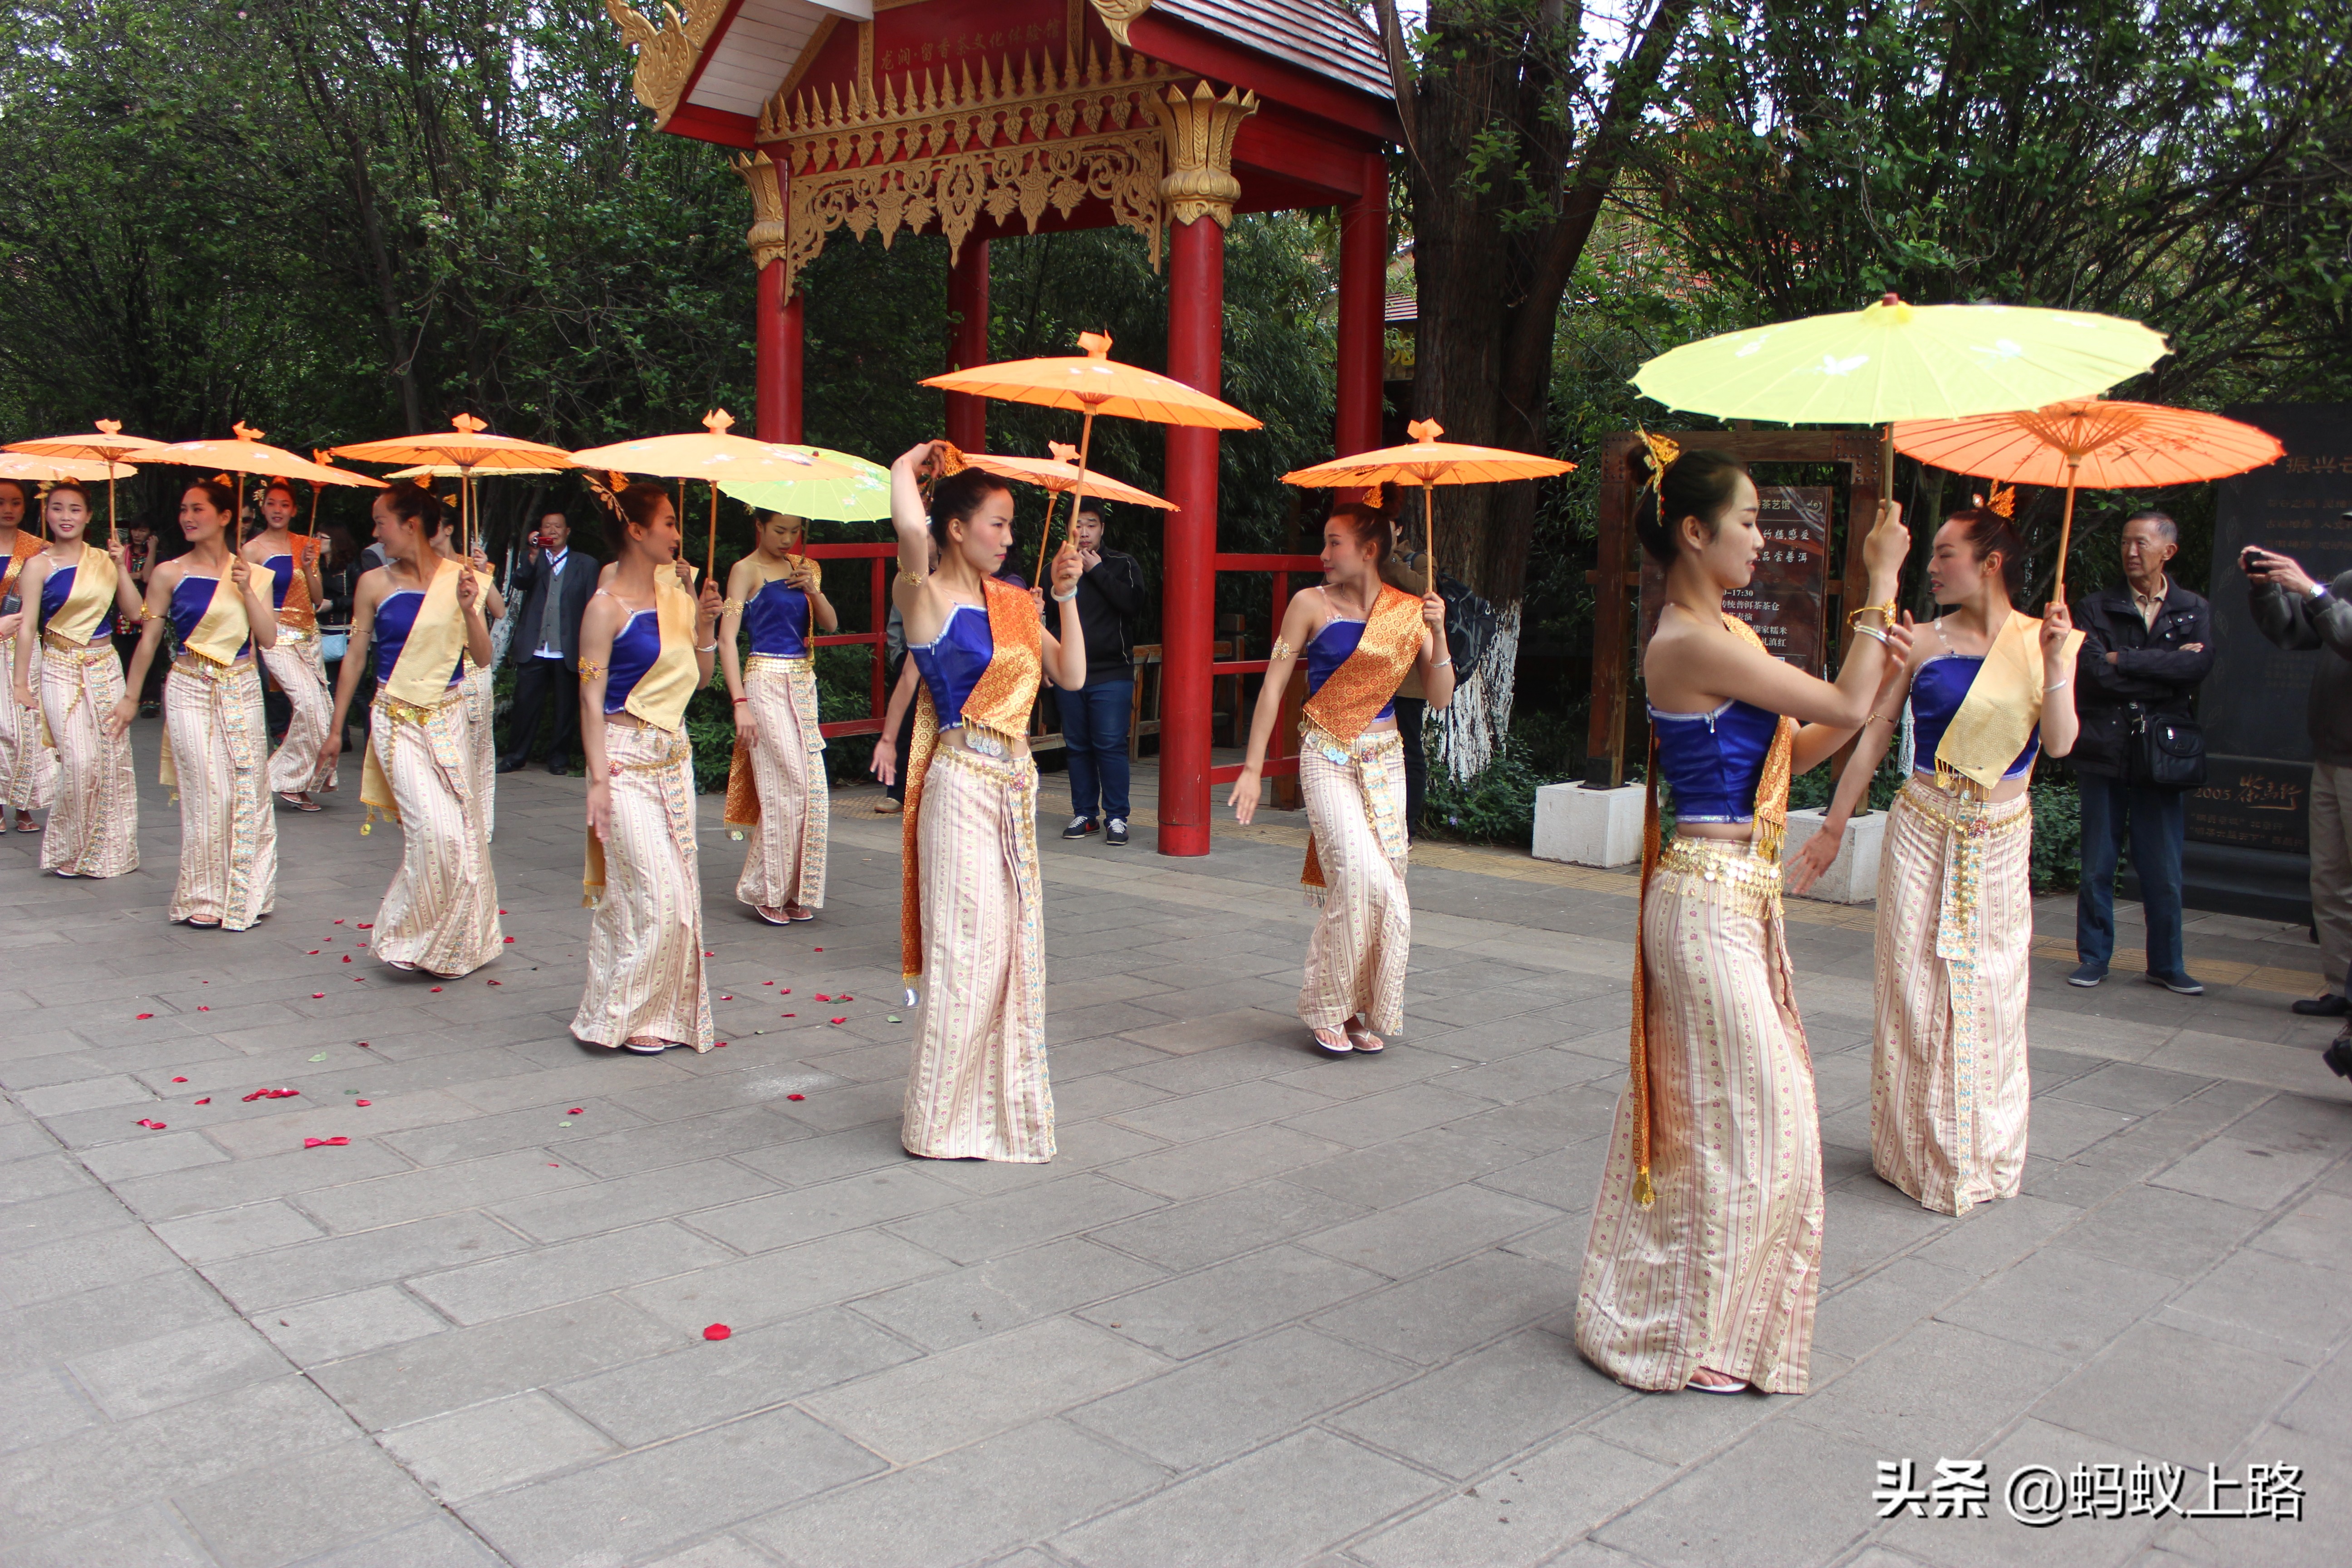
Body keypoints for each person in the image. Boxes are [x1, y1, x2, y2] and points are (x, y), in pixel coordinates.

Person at [1582, 443, 1911, 1396]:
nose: (1764, 538)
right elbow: (1844, 697)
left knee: (1751, 1121)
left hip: (1736, 901)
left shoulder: (1727, 636)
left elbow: (1801, 750)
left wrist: (1879, 677)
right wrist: (1878, 580)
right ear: (1695, 531)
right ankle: (1698, 1331)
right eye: (1751, 520)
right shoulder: (1687, 641)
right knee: (1757, 1121)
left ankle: (1711, 1324)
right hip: (1705, 901)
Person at [1793, 499, 2079, 1220]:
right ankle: (1916, 1149)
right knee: (1916, 988)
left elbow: (2063, 744)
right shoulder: (1918, 640)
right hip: (1923, 823)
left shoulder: (2045, 639)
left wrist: (2053, 664)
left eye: (1947, 553)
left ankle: (1984, 1150)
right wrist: (1833, 827)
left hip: (2002, 830)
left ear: (1992, 563)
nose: (1933, 566)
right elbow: (1875, 735)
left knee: (1991, 987)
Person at [873, 442, 1086, 1161]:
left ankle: (990, 1107)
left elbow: (1073, 675)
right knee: (966, 948)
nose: (1009, 537)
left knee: (1009, 952)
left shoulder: (1017, 600)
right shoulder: (925, 596)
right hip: (961, 782)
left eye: (1013, 526)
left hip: (1015, 790)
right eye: (997, 523)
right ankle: (937, 1119)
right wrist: (910, 466)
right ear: (957, 528)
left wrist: (1063, 596)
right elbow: (908, 528)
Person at [1229, 496, 1454, 1055]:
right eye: (1326, 542)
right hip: (1326, 755)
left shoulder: (1408, 610)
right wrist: (1253, 769)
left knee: (1390, 892)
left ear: (1369, 550)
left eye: (1335, 543)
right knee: (1358, 878)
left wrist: (1440, 631)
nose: (1324, 553)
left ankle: (1358, 1009)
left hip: (1386, 761)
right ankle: (1325, 1005)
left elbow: (1442, 697)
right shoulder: (1309, 603)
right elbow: (1274, 687)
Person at [316, 487, 501, 977]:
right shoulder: (373, 583)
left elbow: (482, 658)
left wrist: (467, 608)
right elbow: (355, 656)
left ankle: (455, 940)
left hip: (449, 714)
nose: (375, 532)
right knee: (431, 831)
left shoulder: (463, 580)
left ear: (412, 523)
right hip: (396, 719)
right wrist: (336, 729)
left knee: (461, 834)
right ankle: (406, 934)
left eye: (382, 522)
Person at [573, 483, 723, 1054]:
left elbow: (701, 681)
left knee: (674, 899)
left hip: (673, 762)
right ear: (636, 531)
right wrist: (597, 781)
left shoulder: (679, 598)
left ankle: (651, 1014)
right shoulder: (604, 608)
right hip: (624, 762)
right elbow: (589, 700)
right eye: (665, 522)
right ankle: (618, 1013)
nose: (676, 533)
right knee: (655, 896)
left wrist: (706, 625)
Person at [113, 479, 281, 930]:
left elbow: (268, 638)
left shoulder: (255, 574)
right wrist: (131, 698)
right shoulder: (169, 572)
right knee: (207, 790)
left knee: (247, 787)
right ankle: (203, 893)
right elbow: (149, 639)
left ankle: (248, 887)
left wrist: (246, 589)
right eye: (184, 509)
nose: (188, 517)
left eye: (199, 509)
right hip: (188, 686)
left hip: (241, 684)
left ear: (225, 517)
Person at [2068, 510, 2214, 992]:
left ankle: (2167, 963)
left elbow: (2195, 670)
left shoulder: (2193, 608)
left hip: (2163, 751)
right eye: (2126, 543)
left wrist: (2124, 660)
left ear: (2167, 551)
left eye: (2142, 544)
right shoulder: (2095, 606)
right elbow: (2091, 670)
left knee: (2163, 868)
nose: (2132, 552)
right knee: (2097, 864)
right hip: (2105, 744)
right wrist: (2163, 666)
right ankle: (2093, 957)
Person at [10, 482, 143, 877]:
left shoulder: (105, 559)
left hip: (105, 665)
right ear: (46, 514)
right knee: (79, 761)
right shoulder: (37, 565)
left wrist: (121, 567)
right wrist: (20, 683)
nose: (65, 517)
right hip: (59, 666)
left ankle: (111, 850)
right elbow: (27, 625)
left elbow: (137, 614)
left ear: (88, 515)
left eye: (74, 509)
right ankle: (70, 850)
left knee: (112, 759)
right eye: (57, 509)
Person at [2244, 540, 2352, 1020]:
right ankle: (2341, 987)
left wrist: (2310, 588)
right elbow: (2292, 633)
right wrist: (2269, 589)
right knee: (2329, 882)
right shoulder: (2349, 582)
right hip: (2331, 755)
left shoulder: (2335, 589)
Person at [720, 510, 836, 923]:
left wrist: (814, 590)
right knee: (784, 784)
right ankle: (765, 889)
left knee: (813, 789)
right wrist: (739, 702)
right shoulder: (745, 570)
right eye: (779, 531)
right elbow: (727, 640)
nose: (788, 539)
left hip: (802, 682)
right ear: (760, 528)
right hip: (764, 679)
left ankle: (791, 889)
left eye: (795, 531)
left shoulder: (806, 568)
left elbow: (830, 624)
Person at [240, 478, 336, 812]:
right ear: (263, 507)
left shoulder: (305, 544)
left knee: (323, 710)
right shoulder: (251, 550)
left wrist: (310, 566)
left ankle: (298, 782)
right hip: (276, 635)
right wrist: (249, 644)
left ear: (294, 510)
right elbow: (246, 601)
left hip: (308, 635)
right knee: (308, 705)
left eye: (284, 505)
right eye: (272, 504)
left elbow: (318, 597)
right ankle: (276, 777)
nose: (278, 510)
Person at [1054, 500, 1147, 847]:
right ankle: (1085, 813)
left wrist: (1096, 571)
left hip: (1112, 671)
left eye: (1091, 524)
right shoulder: (1060, 567)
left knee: (1109, 745)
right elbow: (1050, 618)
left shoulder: (1122, 564)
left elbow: (1134, 604)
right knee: (1077, 746)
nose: (1084, 532)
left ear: (1103, 529)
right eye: (1077, 525)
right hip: (1069, 671)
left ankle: (1118, 817)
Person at [500, 510, 599, 774]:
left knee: (565, 708)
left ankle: (558, 758)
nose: (552, 531)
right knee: (525, 704)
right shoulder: (533, 559)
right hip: (534, 644)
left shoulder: (586, 564)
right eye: (547, 527)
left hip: (567, 647)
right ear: (540, 533)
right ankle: (516, 756)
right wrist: (532, 557)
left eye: (558, 527)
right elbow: (520, 583)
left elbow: (592, 605)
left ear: (567, 532)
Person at [428, 507, 506, 840]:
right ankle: (450, 815)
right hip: (439, 667)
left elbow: (499, 610)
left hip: (473, 664)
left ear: (447, 529)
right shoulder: (423, 571)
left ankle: (480, 820)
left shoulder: (469, 566)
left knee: (479, 746)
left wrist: (482, 573)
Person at [0, 478, 58, 833]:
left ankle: (24, 803)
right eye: (1, 501)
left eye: (16, 502)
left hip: (25, 644)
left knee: (27, 724)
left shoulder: (40, 549)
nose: (8, 509)